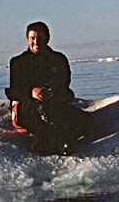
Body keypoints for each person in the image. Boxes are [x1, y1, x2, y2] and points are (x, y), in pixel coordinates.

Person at [5, 21, 92, 155]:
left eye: (40, 38)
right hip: (28, 107)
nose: (36, 42)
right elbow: (13, 91)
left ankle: (61, 137)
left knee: (84, 121)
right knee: (42, 117)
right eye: (32, 38)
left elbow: (64, 84)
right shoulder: (18, 62)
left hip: (54, 102)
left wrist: (53, 92)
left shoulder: (59, 59)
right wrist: (32, 92)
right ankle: (50, 141)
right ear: (27, 39)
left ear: (47, 38)